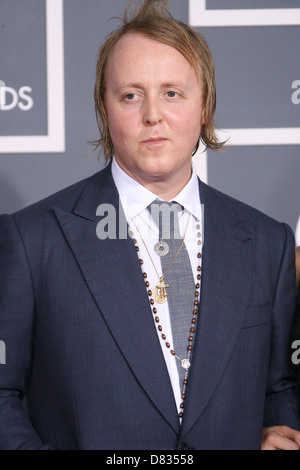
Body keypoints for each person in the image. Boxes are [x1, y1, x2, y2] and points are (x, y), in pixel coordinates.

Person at [0, 0, 299, 450]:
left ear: (205, 106)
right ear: (105, 108)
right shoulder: (31, 240)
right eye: (131, 95)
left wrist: (280, 430)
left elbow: (281, 388)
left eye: (172, 93)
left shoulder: (267, 243)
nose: (152, 115)